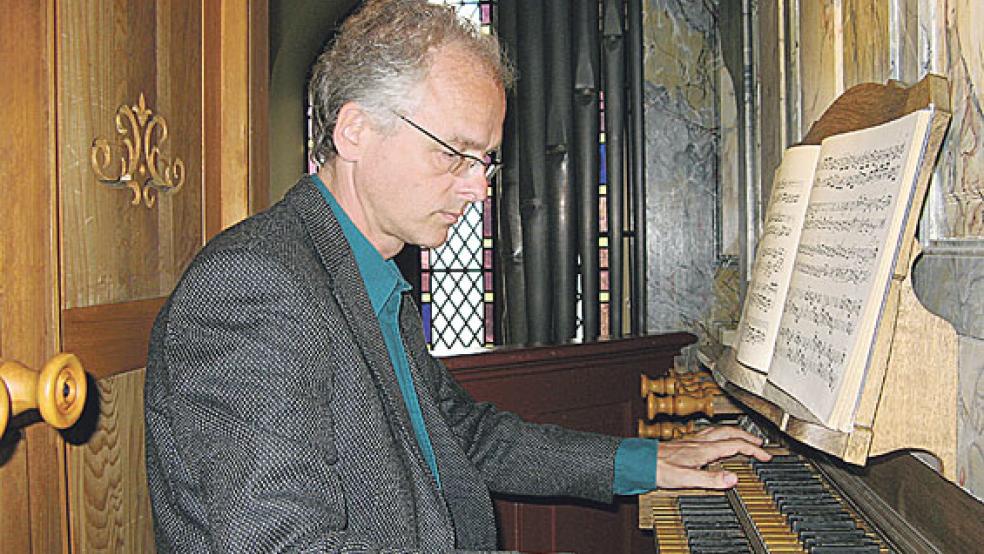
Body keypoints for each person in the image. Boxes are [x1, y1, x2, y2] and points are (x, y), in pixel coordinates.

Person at [143, 0, 770, 551]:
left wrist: (643, 461)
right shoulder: (256, 284)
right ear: (355, 130)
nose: (478, 189)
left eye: (484, 161)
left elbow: (463, 434)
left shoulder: (364, 271)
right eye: (454, 154)